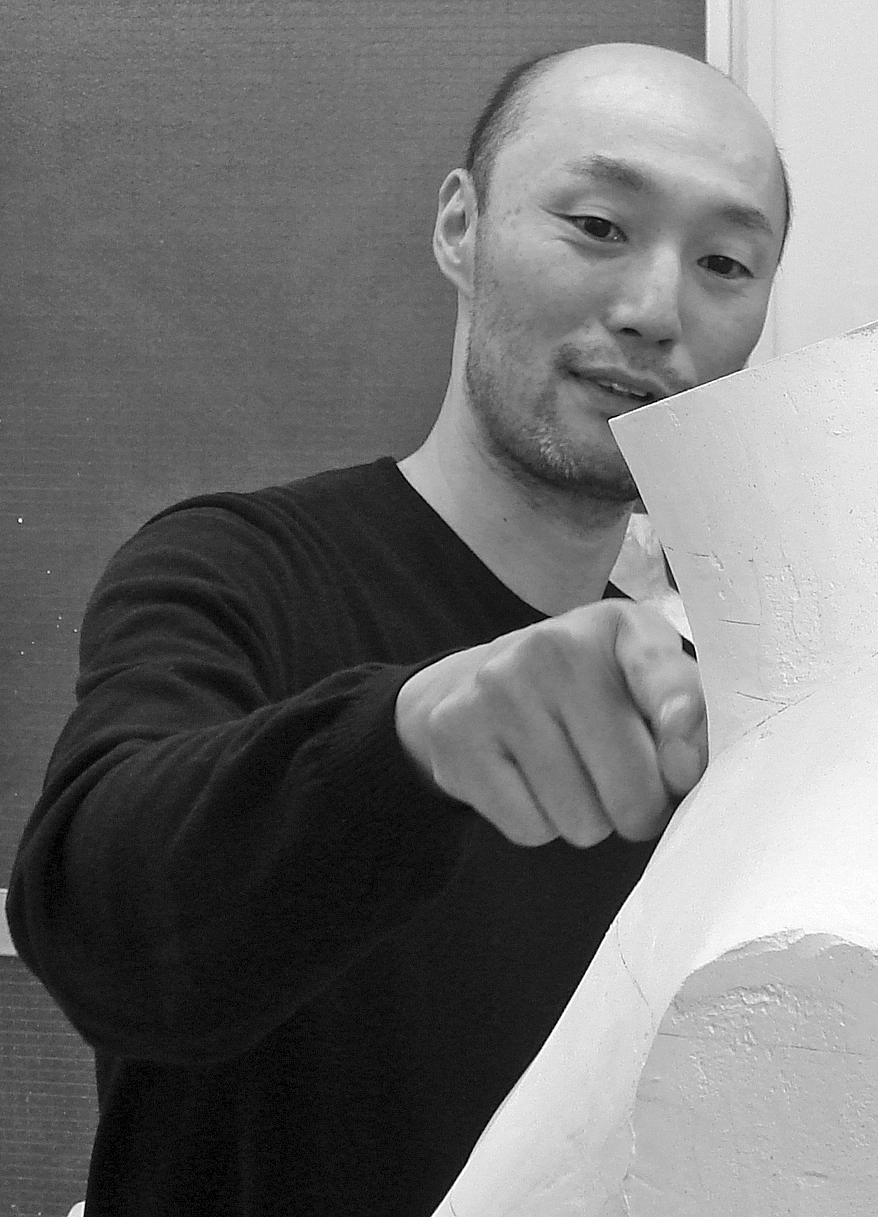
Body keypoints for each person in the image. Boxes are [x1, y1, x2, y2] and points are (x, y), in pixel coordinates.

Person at [7, 41, 789, 1217]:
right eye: (595, 225)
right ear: (459, 227)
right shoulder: (237, 571)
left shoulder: (709, 709)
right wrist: (413, 734)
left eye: (724, 262)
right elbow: (102, 928)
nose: (652, 311)